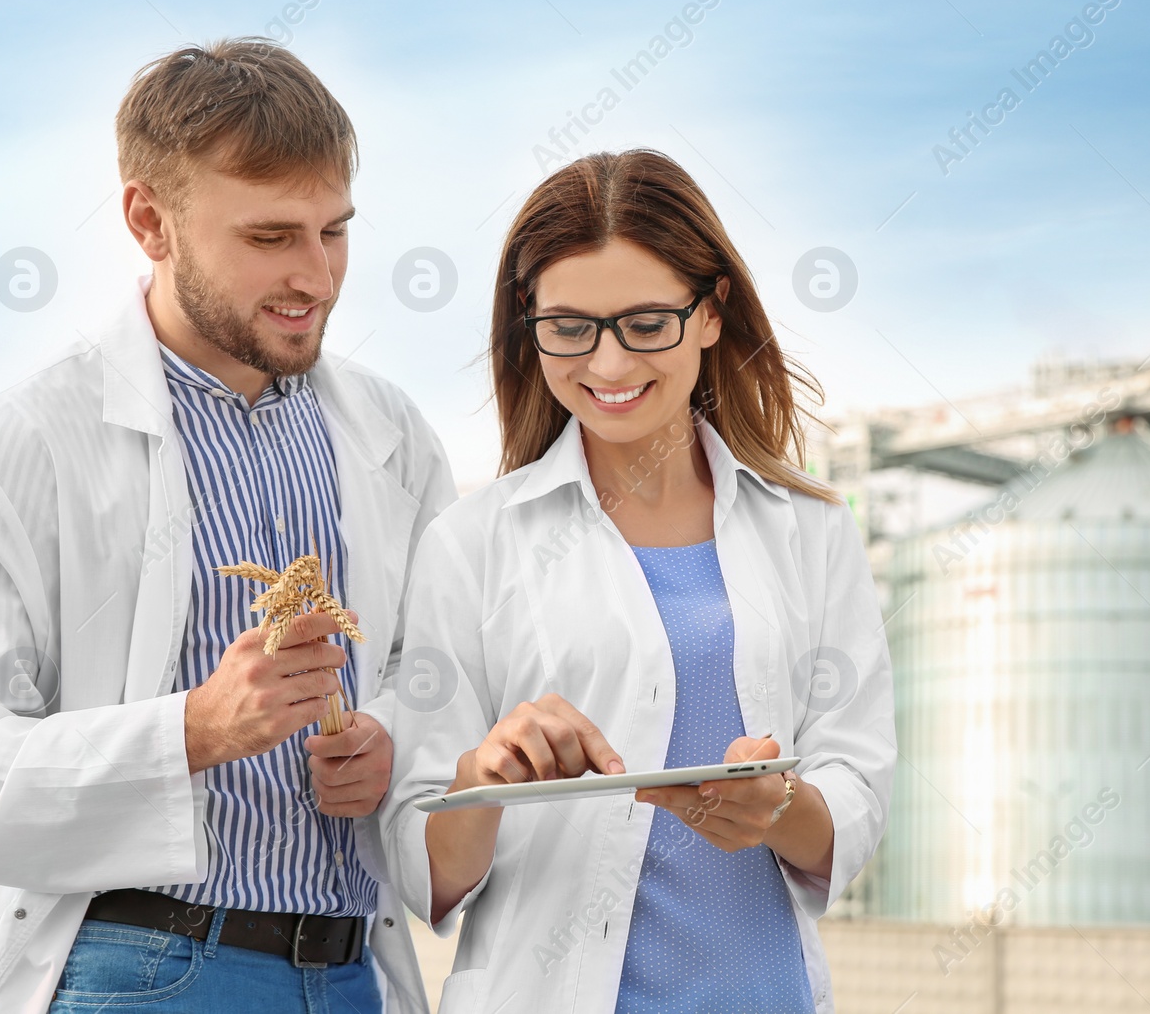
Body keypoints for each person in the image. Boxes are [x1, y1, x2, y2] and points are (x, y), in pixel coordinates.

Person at [0, 38, 452, 1014]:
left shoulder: (392, 438)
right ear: (148, 219)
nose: (316, 275)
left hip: (356, 976)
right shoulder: (16, 448)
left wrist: (394, 738)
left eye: (332, 230)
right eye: (268, 237)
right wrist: (187, 733)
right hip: (143, 969)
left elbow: (457, 673)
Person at [380, 149, 897, 1012]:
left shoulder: (810, 529)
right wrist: (485, 775)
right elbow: (419, 866)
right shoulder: (472, 543)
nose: (609, 365)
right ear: (528, 321)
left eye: (647, 323)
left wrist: (777, 806)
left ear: (711, 313)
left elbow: (858, 788)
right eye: (571, 327)